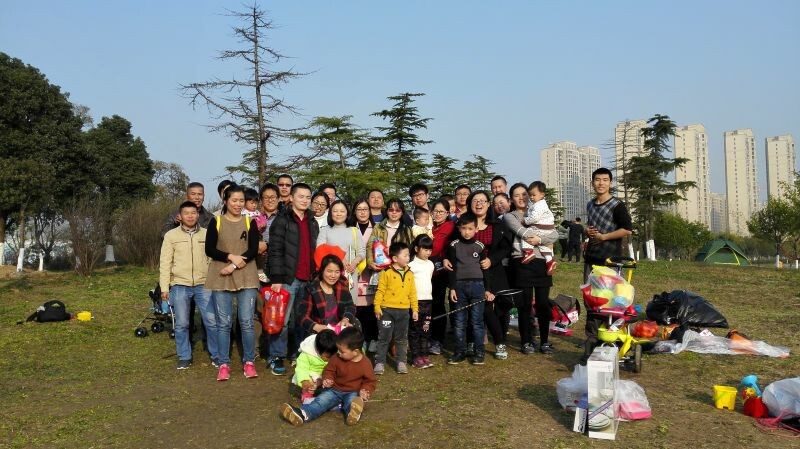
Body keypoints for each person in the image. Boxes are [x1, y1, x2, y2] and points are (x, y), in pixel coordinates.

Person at [204, 185, 261, 381]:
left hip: (246, 275)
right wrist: (230, 257)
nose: (238, 204)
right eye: (234, 200)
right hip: (221, 275)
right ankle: (223, 363)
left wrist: (234, 266)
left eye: (241, 200)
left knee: (246, 322)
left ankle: (249, 361)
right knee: (224, 323)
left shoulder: (250, 222)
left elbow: (253, 250)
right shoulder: (216, 221)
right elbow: (210, 249)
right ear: (226, 201)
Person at [581, 167, 633, 364]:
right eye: (597, 180)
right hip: (591, 259)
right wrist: (588, 232)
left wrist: (605, 237)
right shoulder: (590, 204)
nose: (601, 183)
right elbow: (592, 227)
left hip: (610, 261)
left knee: (611, 302)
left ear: (610, 183)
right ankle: (592, 341)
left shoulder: (617, 205)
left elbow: (627, 229)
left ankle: (611, 340)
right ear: (592, 182)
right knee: (591, 301)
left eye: (604, 180)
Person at [267, 183, 319, 376]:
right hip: (288, 278)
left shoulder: (312, 221)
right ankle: (276, 356)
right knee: (281, 319)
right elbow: (275, 251)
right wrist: (277, 277)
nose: (305, 200)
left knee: (302, 319)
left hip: (308, 278)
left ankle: (299, 353)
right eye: (301, 196)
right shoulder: (282, 220)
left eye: (308, 197)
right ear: (292, 198)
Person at [159, 201, 218, 369]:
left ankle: (216, 355)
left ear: (198, 215)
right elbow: (165, 263)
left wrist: (214, 281)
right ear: (180, 216)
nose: (190, 216)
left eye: (193, 213)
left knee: (211, 321)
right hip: (180, 285)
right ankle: (184, 356)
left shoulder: (207, 234)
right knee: (182, 324)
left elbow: (212, 260)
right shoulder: (171, 236)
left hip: (204, 284)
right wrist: (164, 288)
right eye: (186, 213)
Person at [280, 327, 376, 426]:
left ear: (355, 352)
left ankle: (352, 414)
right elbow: (329, 370)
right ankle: (303, 414)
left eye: (342, 351)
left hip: (353, 391)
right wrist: (327, 378)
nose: (339, 353)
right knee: (321, 401)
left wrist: (365, 390)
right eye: (338, 350)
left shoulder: (365, 364)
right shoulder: (336, 358)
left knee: (351, 403)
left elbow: (370, 381)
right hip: (334, 390)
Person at [505, 183, 559, 355]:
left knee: (543, 304)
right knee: (525, 305)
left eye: (524, 194)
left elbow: (555, 234)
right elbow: (521, 231)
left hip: (542, 262)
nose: (521, 198)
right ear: (511, 199)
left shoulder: (538, 210)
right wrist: (542, 237)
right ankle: (526, 341)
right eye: (516, 195)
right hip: (522, 262)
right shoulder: (510, 216)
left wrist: (540, 240)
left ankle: (544, 341)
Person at [446, 213, 487, 365]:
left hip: (478, 286)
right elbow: (452, 268)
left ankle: (479, 351)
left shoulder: (480, 246)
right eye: (463, 228)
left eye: (470, 228)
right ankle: (459, 352)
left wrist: (488, 289)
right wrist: (452, 288)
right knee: (459, 321)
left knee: (477, 321)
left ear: (476, 229)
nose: (467, 232)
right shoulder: (454, 245)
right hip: (459, 286)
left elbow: (485, 269)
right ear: (459, 228)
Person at [373, 242, 418, 375]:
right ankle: (380, 362)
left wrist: (415, 309)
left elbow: (413, 293)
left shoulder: (410, 274)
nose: (408, 258)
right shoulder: (386, 272)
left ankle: (401, 362)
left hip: (403, 311)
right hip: (387, 311)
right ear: (395, 258)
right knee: (384, 337)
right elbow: (380, 290)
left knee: (402, 338)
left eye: (408, 255)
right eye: (405, 255)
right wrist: (377, 307)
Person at [316, 200, 366, 300]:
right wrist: (340, 257)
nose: (338, 214)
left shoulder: (354, 230)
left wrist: (355, 262)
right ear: (330, 213)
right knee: (330, 304)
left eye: (342, 211)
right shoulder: (325, 230)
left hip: (350, 273)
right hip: (330, 275)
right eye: (335, 211)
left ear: (347, 213)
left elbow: (362, 251)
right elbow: (319, 249)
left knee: (349, 304)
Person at [297, 255, 357, 335]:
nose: (333, 275)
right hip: (319, 334)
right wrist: (316, 327)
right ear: (322, 271)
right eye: (329, 271)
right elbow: (302, 316)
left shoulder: (342, 286)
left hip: (339, 332)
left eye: (337, 272)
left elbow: (350, 306)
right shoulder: (312, 289)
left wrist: (346, 319)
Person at [349, 198, 379, 351]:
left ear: (370, 211)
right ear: (354, 211)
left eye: (365, 209)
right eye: (359, 209)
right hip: (353, 272)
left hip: (371, 273)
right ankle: (359, 340)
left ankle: (372, 338)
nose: (362, 212)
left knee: (370, 307)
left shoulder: (377, 228)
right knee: (356, 308)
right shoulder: (349, 228)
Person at [429, 198, 455, 355]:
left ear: (448, 213)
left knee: (438, 304)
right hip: (426, 271)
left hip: (441, 271)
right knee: (427, 305)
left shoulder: (451, 227)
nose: (438, 214)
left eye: (441, 211)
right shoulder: (428, 226)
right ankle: (428, 336)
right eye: (435, 211)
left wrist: (444, 257)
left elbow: (450, 247)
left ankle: (438, 339)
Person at [519, 181, 559, 274]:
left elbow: (534, 218)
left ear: (542, 195)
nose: (531, 197)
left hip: (540, 227)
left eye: (534, 195)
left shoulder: (538, 205)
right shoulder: (542, 204)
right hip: (548, 229)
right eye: (530, 195)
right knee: (544, 245)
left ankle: (528, 252)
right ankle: (550, 261)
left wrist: (525, 221)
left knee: (526, 235)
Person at [408, 234, 435, 369]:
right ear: (417, 249)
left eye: (430, 250)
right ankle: (415, 357)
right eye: (425, 249)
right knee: (415, 330)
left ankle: (424, 355)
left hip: (428, 301)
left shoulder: (430, 264)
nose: (428, 252)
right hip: (415, 302)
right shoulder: (411, 265)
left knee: (426, 329)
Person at [366, 198, 415, 269]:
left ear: (402, 213)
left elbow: (411, 250)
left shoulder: (407, 230)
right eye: (391, 210)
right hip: (380, 267)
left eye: (398, 210)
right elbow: (370, 246)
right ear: (387, 211)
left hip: (399, 268)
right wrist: (370, 262)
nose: (394, 212)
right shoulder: (378, 227)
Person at [293, 329, 338, 404]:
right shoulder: (307, 354)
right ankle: (307, 395)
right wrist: (305, 381)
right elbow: (301, 369)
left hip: (326, 376)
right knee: (309, 383)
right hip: (312, 375)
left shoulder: (333, 350)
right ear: (318, 350)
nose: (330, 359)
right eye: (327, 357)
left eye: (332, 356)